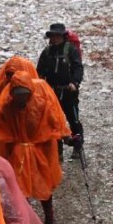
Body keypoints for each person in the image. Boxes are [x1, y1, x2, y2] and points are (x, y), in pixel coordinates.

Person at [0, 71, 70, 224]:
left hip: (38, 153)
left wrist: (68, 138)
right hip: (18, 154)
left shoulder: (41, 105)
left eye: (24, 94)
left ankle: (49, 219)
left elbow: (54, 124)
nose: (20, 99)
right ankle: (24, 223)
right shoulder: (7, 106)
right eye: (17, 95)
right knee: (19, 189)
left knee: (44, 187)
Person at [36, 23, 84, 161]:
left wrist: (75, 83)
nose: (55, 38)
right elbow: (39, 71)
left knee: (73, 119)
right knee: (54, 121)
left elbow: (78, 68)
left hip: (69, 91)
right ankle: (57, 150)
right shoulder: (46, 52)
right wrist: (40, 85)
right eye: (53, 35)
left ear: (63, 36)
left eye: (58, 35)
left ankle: (77, 145)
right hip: (51, 92)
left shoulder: (71, 50)